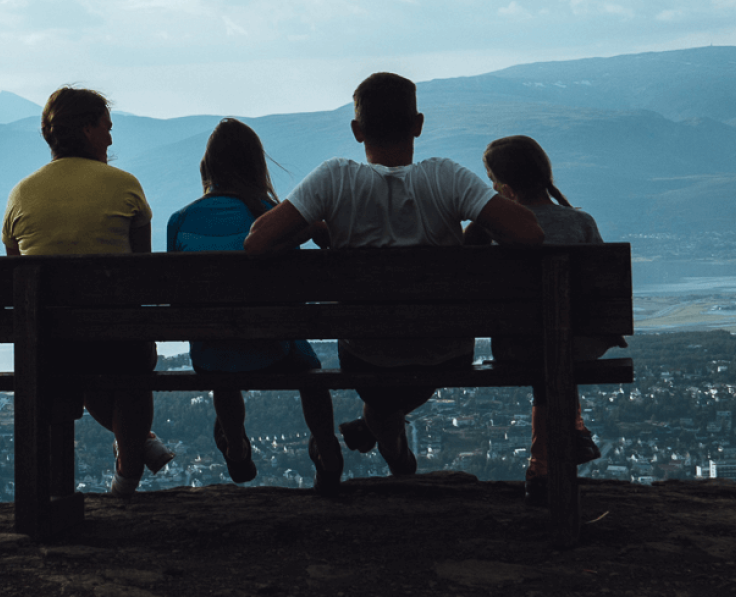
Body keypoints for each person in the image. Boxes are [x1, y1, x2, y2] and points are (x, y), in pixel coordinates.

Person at [244, 72, 544, 476]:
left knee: (381, 394)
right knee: (393, 392)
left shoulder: (335, 178)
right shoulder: (446, 177)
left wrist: (318, 229)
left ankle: (390, 444)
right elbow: (530, 233)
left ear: (356, 130)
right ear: (418, 124)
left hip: (366, 354)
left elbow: (257, 242)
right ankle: (389, 442)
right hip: (446, 353)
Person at [2, 87, 174, 497]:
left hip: (50, 347)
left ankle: (134, 451)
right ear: (86, 129)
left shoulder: (21, 194)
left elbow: (15, 275)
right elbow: (140, 275)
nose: (111, 139)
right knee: (131, 358)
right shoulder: (125, 186)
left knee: (84, 358)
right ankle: (128, 469)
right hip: (118, 344)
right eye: (106, 128)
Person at [167, 118, 343, 493]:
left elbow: (178, 297)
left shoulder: (179, 220)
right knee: (310, 369)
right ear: (255, 165)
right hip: (273, 349)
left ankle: (235, 443)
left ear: (208, 167)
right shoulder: (271, 215)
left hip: (211, 354)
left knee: (220, 352)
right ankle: (326, 446)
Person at [466, 134, 625, 505]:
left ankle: (542, 467)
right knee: (558, 349)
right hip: (579, 345)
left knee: (545, 347)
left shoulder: (493, 228)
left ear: (504, 188)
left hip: (516, 346)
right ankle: (570, 433)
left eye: (491, 180)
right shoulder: (580, 223)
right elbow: (600, 296)